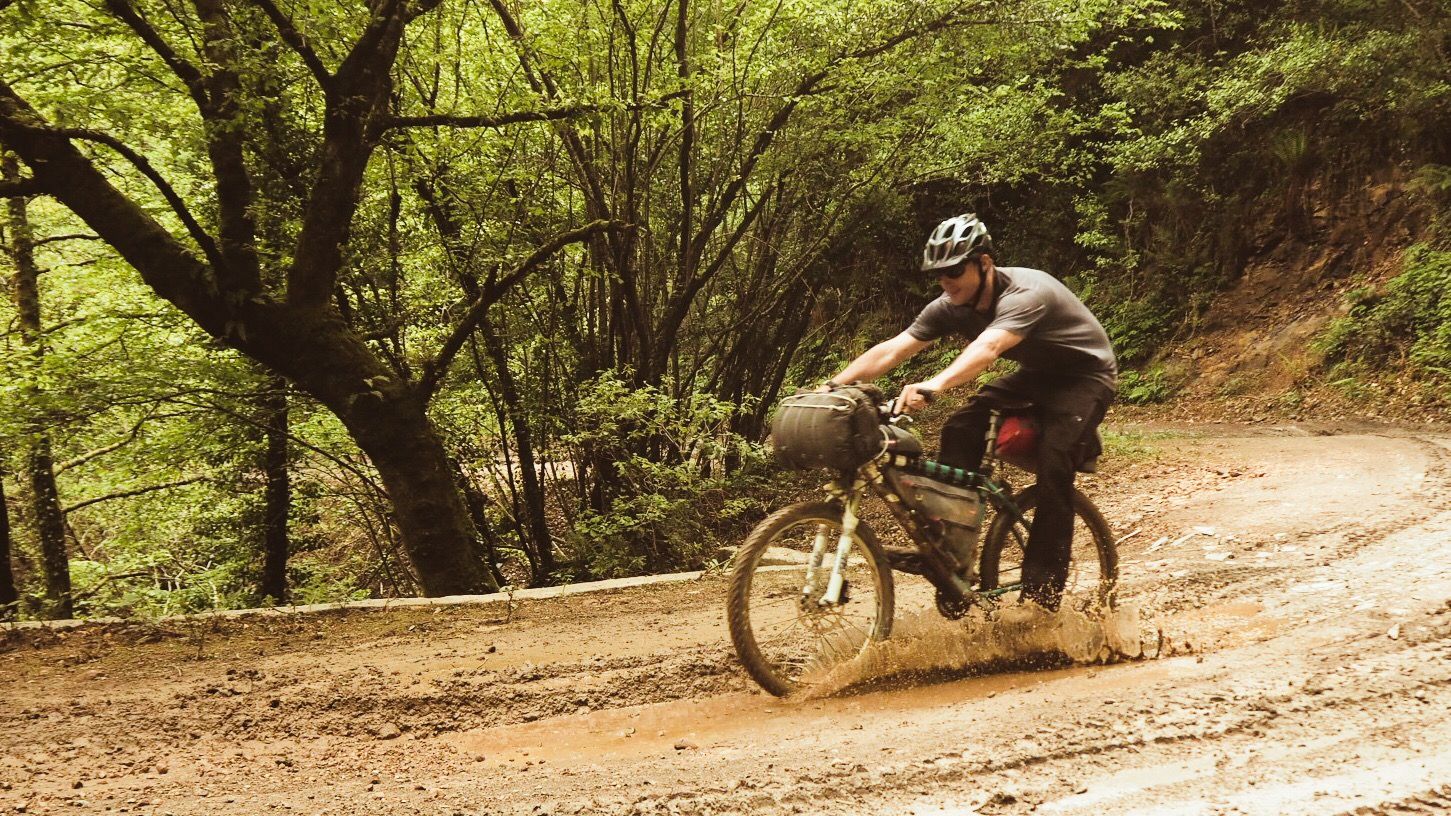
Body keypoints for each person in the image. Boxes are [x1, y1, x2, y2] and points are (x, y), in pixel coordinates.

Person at [822, 213, 1117, 610]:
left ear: (985, 263)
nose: (947, 281)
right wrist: (833, 387)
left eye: (955, 270)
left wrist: (936, 384)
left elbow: (988, 349)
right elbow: (893, 349)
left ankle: (1041, 596)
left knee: (1055, 465)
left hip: (1085, 377)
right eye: (939, 274)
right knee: (960, 427)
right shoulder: (950, 304)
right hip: (1037, 374)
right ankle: (954, 560)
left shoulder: (1026, 293)